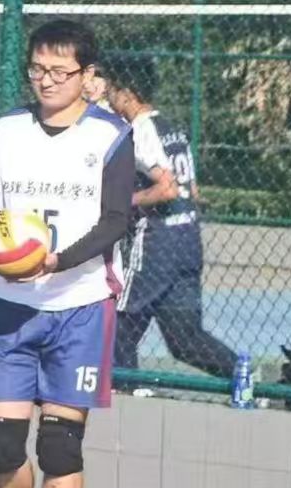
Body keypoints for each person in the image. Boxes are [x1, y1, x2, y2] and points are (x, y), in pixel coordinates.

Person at [0, 19, 133, 488]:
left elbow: (116, 220)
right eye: (38, 69)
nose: (47, 80)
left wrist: (57, 260)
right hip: (12, 308)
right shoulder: (6, 131)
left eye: (61, 71)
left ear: (88, 76)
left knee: (59, 447)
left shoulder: (110, 135)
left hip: (79, 307)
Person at [102, 58, 238, 379]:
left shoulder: (140, 131)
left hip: (157, 244)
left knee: (118, 318)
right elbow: (193, 189)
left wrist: (124, 202)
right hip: (188, 240)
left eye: (111, 91)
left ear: (127, 94)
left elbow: (167, 189)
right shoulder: (172, 129)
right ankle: (241, 374)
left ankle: (128, 389)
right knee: (184, 339)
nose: (109, 97)